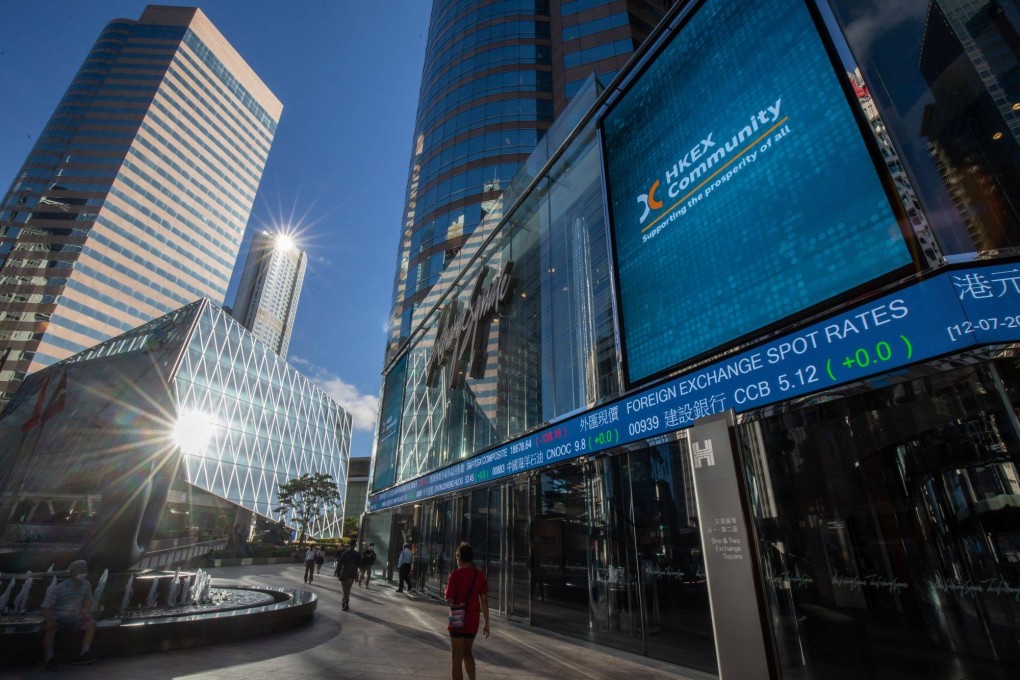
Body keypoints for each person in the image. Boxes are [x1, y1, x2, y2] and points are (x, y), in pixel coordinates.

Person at [41, 559, 97, 671]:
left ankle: (84, 654)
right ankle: (49, 659)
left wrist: (86, 612)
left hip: (75, 619)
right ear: (73, 571)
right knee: (50, 628)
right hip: (58, 619)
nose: (85, 571)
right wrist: (49, 620)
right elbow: (46, 607)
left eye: (85, 568)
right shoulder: (59, 588)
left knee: (92, 624)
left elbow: (88, 601)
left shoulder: (86, 585)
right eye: (82, 568)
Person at [445, 542, 489, 680]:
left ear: (459, 557)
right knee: (467, 653)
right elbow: (484, 601)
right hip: (473, 619)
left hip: (457, 617)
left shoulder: (455, 575)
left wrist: (446, 590)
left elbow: (450, 599)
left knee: (456, 658)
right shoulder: (480, 575)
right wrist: (487, 622)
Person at [335, 542, 361, 611]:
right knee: (348, 589)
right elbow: (359, 565)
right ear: (355, 546)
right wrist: (359, 574)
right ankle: (345, 603)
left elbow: (340, 564)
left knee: (344, 589)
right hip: (352, 574)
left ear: (349, 546)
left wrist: (337, 572)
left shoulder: (344, 553)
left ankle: (345, 603)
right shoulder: (357, 554)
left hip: (344, 573)